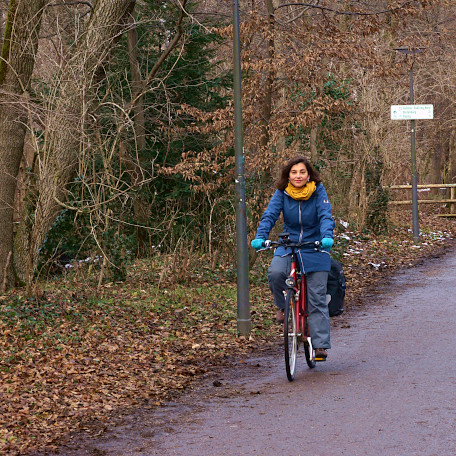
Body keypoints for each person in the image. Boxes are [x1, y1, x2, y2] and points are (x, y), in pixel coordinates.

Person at [251, 156, 335, 359]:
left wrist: (326, 237)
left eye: (302, 172)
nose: (298, 176)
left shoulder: (318, 191)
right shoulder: (282, 193)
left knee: (316, 297)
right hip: (288, 244)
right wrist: (261, 236)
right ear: (288, 175)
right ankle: (282, 306)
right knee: (276, 272)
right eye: (294, 172)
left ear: (309, 175)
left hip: (315, 245)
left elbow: (325, 215)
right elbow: (270, 215)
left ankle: (320, 345)